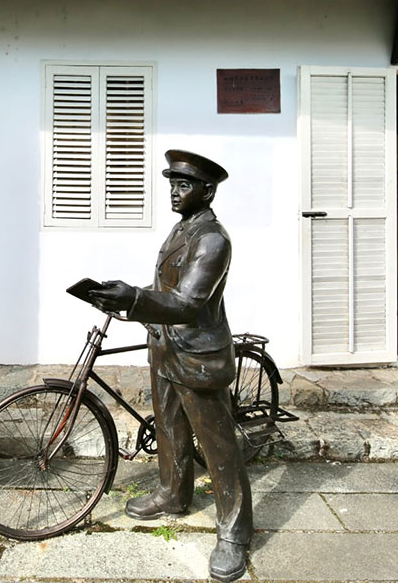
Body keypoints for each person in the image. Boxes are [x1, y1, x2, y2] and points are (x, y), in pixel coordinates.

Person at [89, 149, 252, 583]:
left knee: (218, 448)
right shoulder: (183, 230)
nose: (175, 193)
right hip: (164, 347)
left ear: (208, 190)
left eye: (184, 186)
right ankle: (172, 493)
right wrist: (122, 295)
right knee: (169, 429)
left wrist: (135, 299)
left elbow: (188, 302)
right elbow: (167, 287)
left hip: (197, 355)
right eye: (172, 185)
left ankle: (235, 531)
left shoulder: (212, 239)